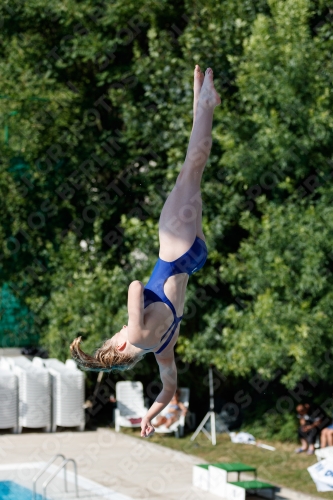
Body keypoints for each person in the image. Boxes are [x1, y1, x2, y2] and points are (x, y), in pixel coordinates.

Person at [70, 65, 221, 438]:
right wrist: (131, 317)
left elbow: (168, 388)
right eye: (117, 333)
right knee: (191, 168)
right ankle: (207, 105)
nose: (121, 329)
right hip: (174, 247)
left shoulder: (161, 349)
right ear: (121, 344)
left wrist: (151, 416)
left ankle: (200, 104)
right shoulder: (136, 336)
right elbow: (137, 286)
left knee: (193, 169)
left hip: (195, 256)